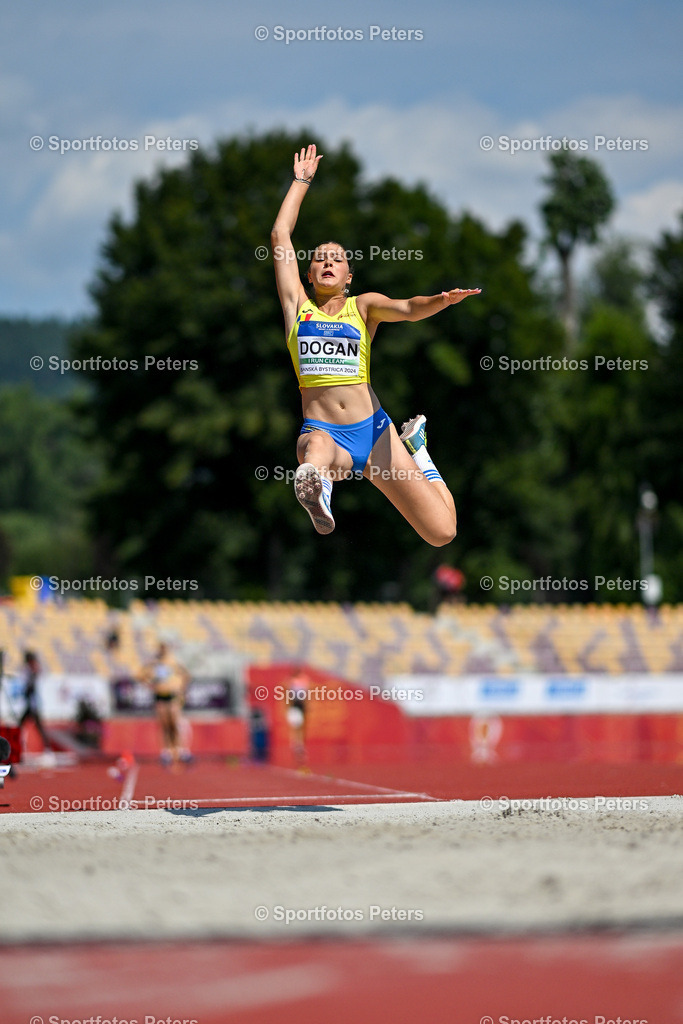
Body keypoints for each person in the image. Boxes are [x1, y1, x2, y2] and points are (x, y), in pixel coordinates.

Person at [271, 143, 481, 544]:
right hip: (326, 433)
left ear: (349, 275)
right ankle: (319, 493)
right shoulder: (296, 307)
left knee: (442, 533)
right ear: (309, 272)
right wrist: (300, 182)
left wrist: (441, 300)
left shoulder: (363, 307)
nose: (328, 262)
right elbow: (280, 233)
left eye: (337, 259)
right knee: (310, 453)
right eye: (319, 259)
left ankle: (418, 449)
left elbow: (406, 307)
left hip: (375, 433)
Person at [139, 642, 191, 767]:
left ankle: (180, 750)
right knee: (164, 725)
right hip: (160, 696)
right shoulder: (154, 665)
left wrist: (181, 689)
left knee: (174, 723)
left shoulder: (173, 663)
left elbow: (185, 675)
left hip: (172, 695)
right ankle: (166, 752)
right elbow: (142, 676)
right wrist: (150, 684)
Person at [18, 651, 53, 752]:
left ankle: (47, 748)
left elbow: (31, 687)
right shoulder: (29, 670)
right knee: (25, 726)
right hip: (30, 704)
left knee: (36, 726)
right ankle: (46, 748)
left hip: (32, 705)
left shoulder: (33, 670)